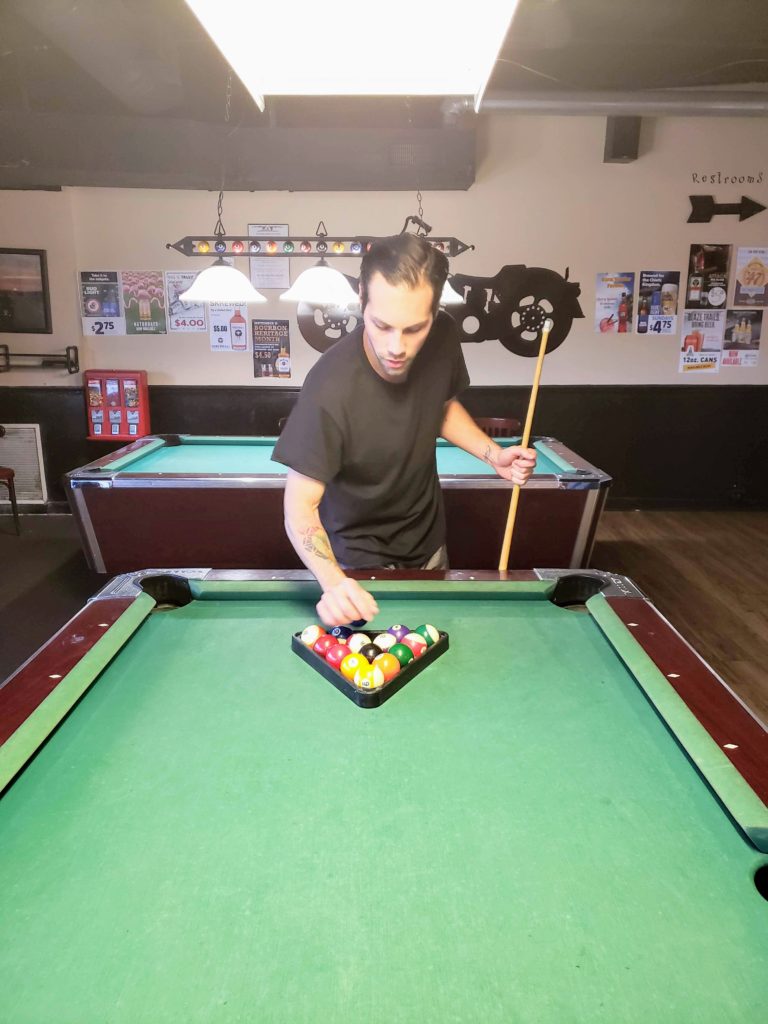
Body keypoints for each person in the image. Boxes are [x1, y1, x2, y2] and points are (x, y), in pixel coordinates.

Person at [272, 234, 537, 627]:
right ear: (361, 298)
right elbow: (299, 507)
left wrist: (492, 454)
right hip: (357, 563)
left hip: (429, 544)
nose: (397, 347)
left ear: (435, 310)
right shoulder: (329, 387)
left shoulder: (444, 335)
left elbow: (441, 406)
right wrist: (333, 582)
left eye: (415, 328)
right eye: (382, 325)